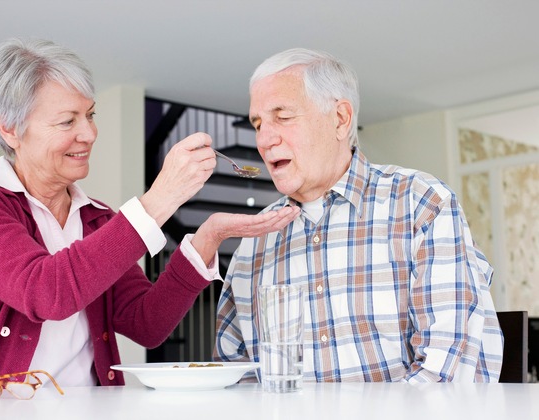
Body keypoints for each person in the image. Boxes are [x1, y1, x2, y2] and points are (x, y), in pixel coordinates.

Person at [0, 38, 300, 391]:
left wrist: (207, 240)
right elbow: (47, 292)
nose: (89, 133)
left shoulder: (97, 218)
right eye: (68, 121)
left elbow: (146, 324)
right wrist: (160, 199)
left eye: (90, 115)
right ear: (10, 129)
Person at [213, 48, 504, 383]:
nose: (264, 139)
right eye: (258, 123)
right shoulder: (253, 243)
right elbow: (236, 377)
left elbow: (447, 371)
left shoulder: (421, 203)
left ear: (340, 119)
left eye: (283, 117)